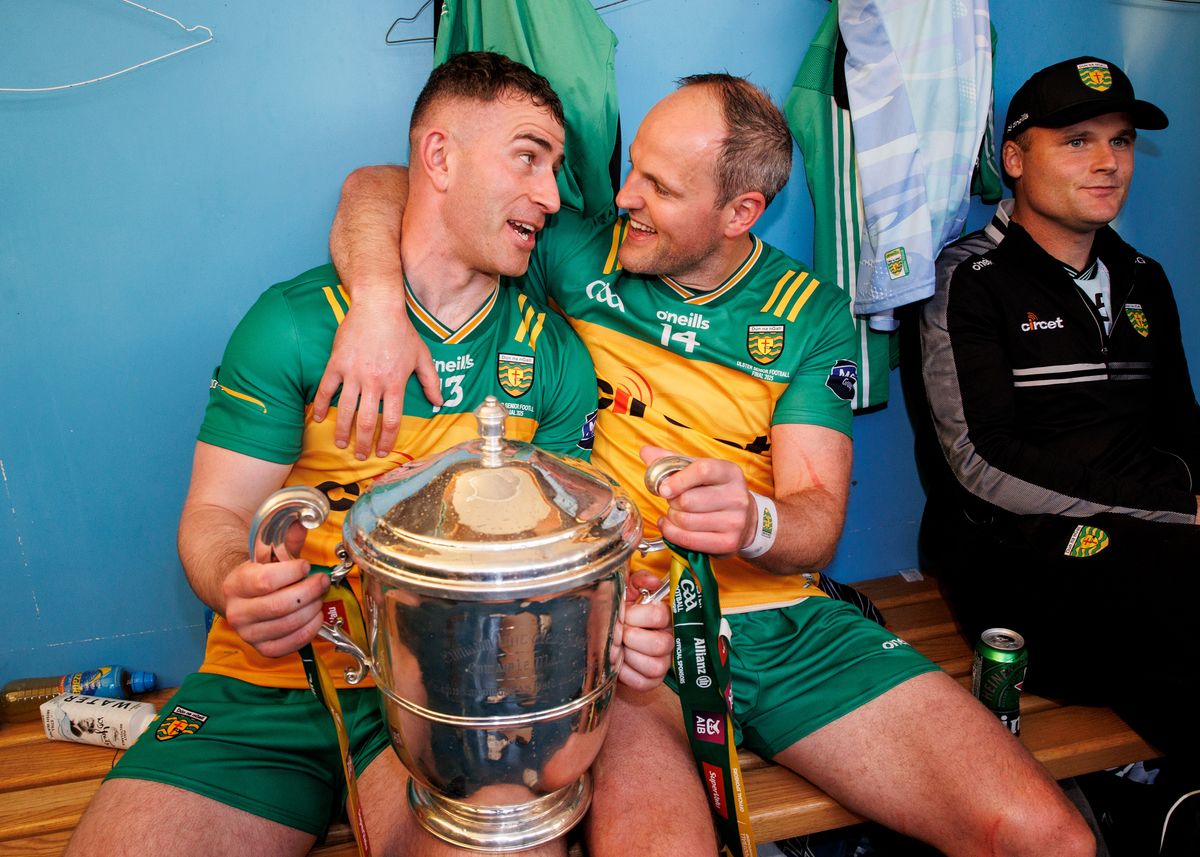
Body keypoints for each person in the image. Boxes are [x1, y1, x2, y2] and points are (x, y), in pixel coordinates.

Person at [325, 69, 1095, 855]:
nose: (623, 197)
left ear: (740, 212)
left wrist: (755, 519)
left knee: (1047, 838)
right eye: (634, 171)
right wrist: (379, 300)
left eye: (657, 186)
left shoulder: (811, 314)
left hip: (782, 625)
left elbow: (815, 520)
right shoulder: (580, 250)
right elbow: (383, 185)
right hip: (628, 638)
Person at [64, 53, 672, 857]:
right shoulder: (293, 323)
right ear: (440, 157)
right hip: (272, 679)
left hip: (456, 694)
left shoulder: (552, 354)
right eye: (529, 156)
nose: (551, 197)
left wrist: (624, 618)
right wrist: (238, 584)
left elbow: (573, 560)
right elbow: (214, 516)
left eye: (556, 167)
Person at [917, 55, 1200, 765]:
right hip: (1015, 551)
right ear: (1014, 158)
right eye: (1077, 140)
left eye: (1122, 140)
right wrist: (1173, 510)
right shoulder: (969, 280)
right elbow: (981, 462)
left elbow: (1181, 427)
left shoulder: (1144, 277)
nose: (1109, 161)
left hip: (1156, 542)